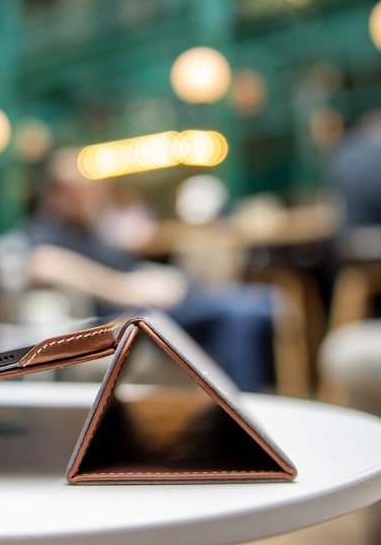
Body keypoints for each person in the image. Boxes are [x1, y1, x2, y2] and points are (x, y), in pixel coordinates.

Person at [24, 150, 275, 392]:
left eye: (94, 188)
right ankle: (248, 411)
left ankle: (239, 411)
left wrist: (152, 277)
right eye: (83, 190)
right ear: (58, 193)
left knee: (239, 318)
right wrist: (126, 288)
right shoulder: (48, 227)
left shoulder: (94, 228)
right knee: (242, 310)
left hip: (154, 301)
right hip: (133, 313)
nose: (94, 195)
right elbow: (43, 263)